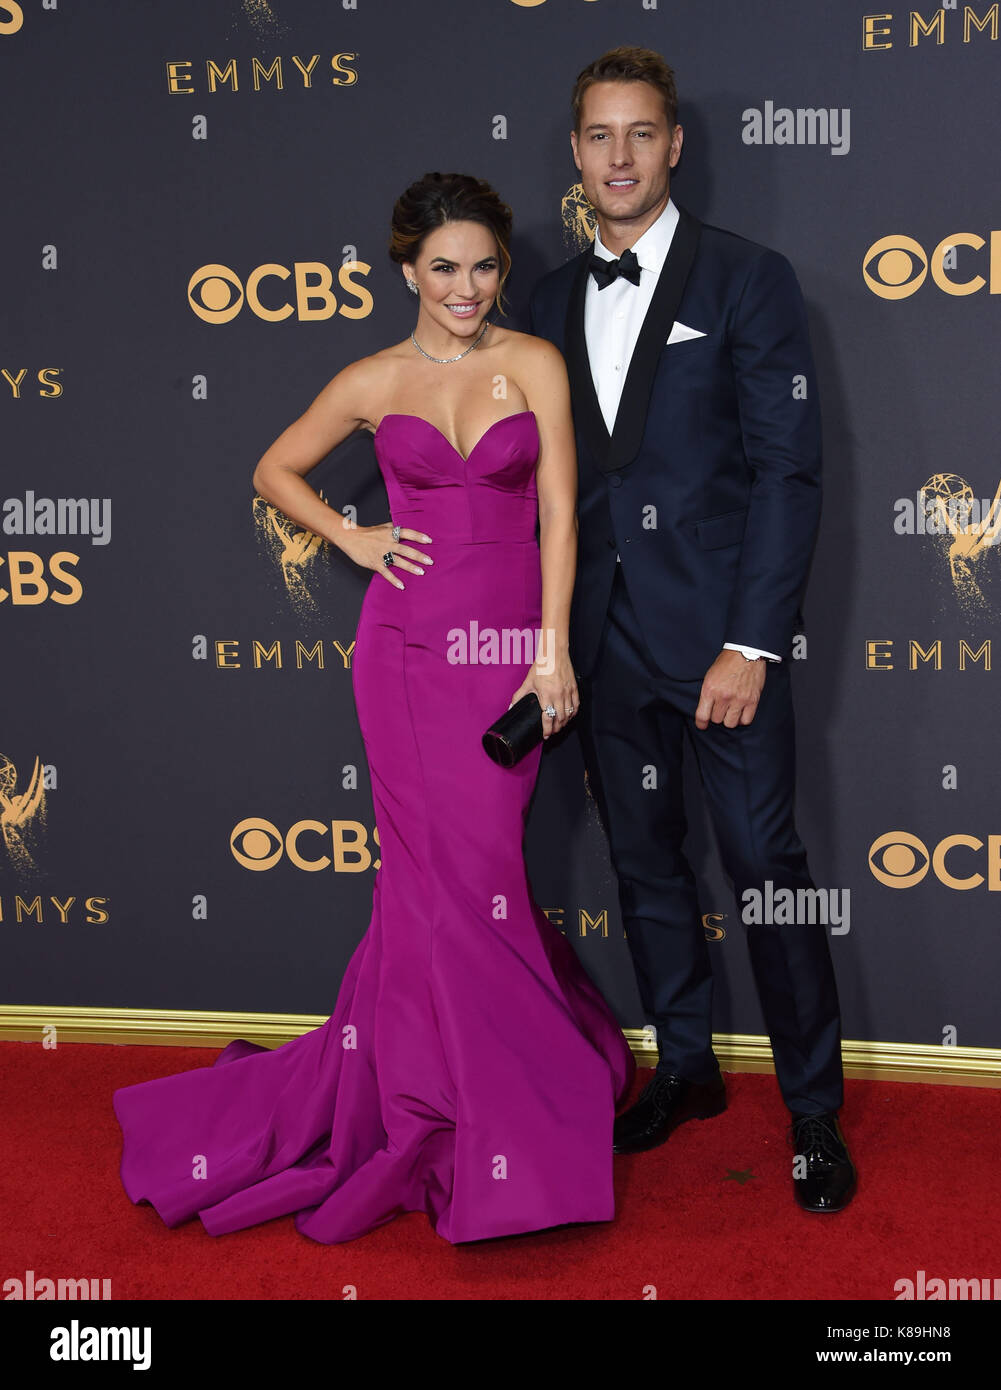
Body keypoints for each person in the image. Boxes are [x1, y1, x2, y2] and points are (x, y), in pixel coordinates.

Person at [112, 172, 635, 1245]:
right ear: (406, 269)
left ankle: (485, 1096)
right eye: (442, 266)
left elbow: (558, 520)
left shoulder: (531, 361)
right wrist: (350, 538)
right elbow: (273, 468)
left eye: (483, 265)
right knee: (425, 883)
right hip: (400, 659)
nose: (465, 286)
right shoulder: (372, 377)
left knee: (481, 873)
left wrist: (549, 656)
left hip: (503, 660)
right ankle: (433, 1105)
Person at [529, 47, 856, 1213]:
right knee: (641, 864)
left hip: (721, 643)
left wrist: (751, 642)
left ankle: (811, 1109)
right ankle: (684, 1065)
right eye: (597, 136)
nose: (619, 157)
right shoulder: (541, 300)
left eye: (641, 134)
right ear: (574, 153)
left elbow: (786, 471)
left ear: (674, 146)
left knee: (764, 864)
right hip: (601, 644)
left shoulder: (747, 281)